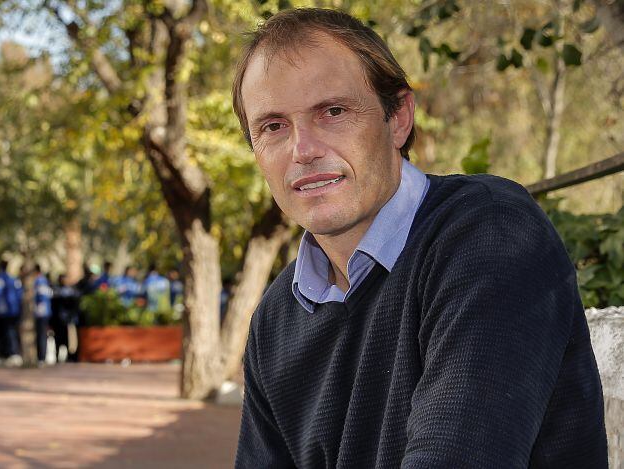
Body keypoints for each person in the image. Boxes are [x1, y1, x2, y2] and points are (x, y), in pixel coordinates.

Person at [232, 8, 606, 468]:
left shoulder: (490, 235)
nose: (302, 149)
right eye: (273, 126)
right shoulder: (276, 319)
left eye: (333, 112)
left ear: (399, 119)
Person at [32, 264, 53, 365]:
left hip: (41, 312)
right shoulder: (44, 280)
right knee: (42, 335)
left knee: (41, 335)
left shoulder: (39, 280)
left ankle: (41, 357)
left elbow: (41, 297)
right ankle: (41, 357)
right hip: (44, 312)